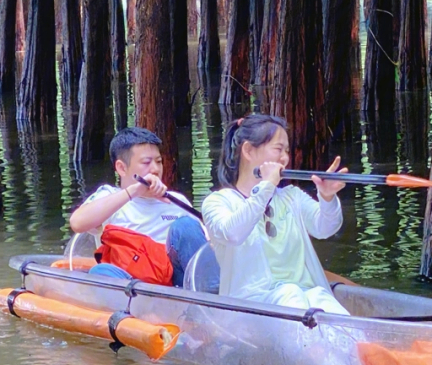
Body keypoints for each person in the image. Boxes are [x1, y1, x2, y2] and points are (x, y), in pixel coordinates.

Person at [201, 114, 351, 315]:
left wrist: (327, 197)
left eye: (287, 151)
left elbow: (325, 228)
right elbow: (232, 234)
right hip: (250, 308)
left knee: (320, 298)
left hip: (306, 295)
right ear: (248, 150)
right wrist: (266, 186)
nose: (285, 158)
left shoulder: (292, 196)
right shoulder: (218, 202)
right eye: (278, 149)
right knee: (290, 294)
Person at [69, 127, 209, 287]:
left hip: (175, 284)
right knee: (100, 273)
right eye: (146, 163)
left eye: (158, 162)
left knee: (185, 225)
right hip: (131, 286)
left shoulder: (176, 200)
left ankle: (209, 299)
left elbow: (206, 248)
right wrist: (134, 191)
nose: (155, 169)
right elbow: (77, 223)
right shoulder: (109, 197)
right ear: (121, 168)